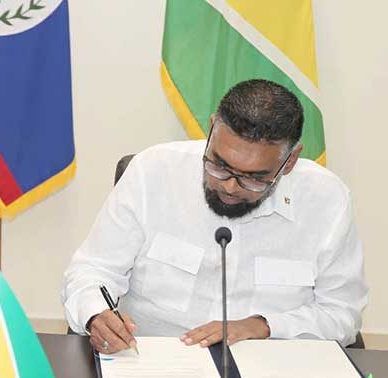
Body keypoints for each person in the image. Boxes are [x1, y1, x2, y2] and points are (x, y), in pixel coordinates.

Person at [62, 79, 366, 354]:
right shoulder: (152, 172)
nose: (230, 187)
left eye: (254, 178)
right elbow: (91, 273)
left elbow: (341, 314)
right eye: (219, 165)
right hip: (153, 364)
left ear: (289, 162)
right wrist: (95, 315)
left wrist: (264, 326)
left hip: (270, 374)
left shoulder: (326, 200)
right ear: (211, 130)